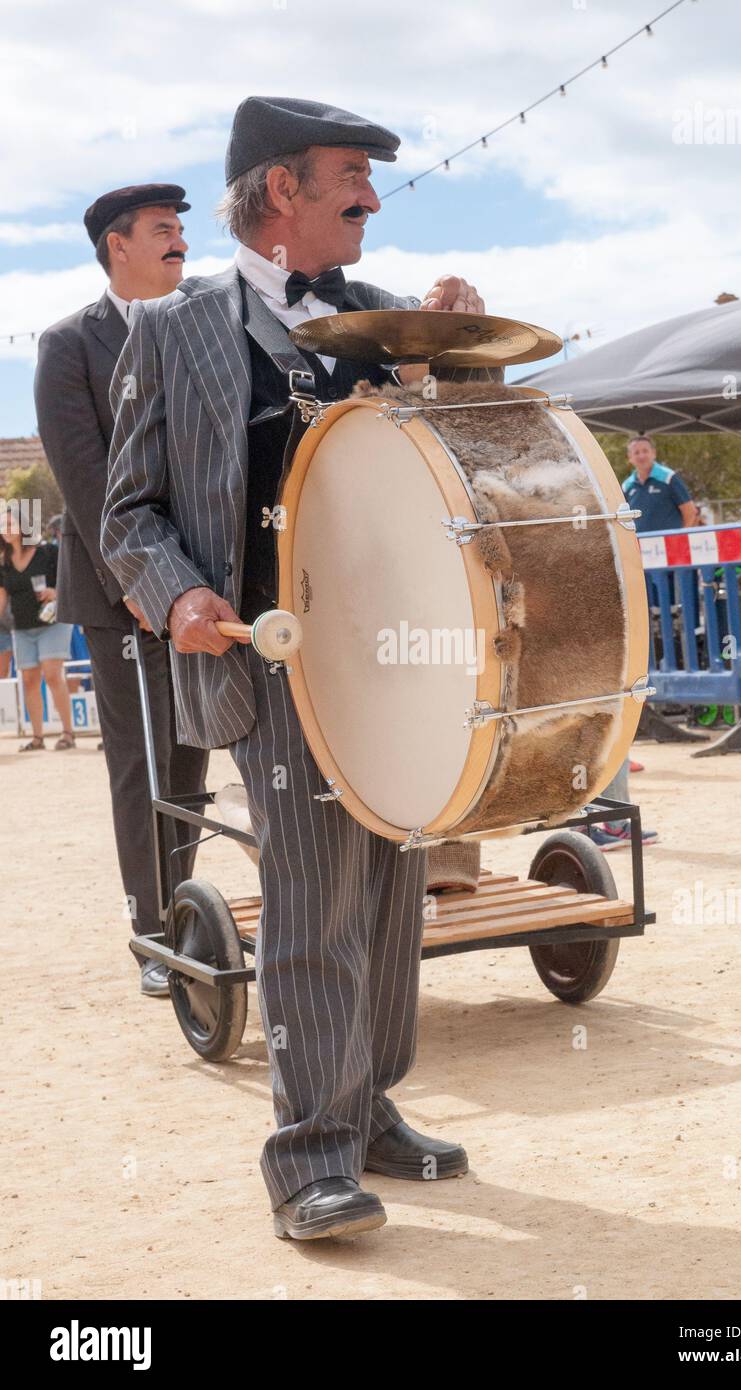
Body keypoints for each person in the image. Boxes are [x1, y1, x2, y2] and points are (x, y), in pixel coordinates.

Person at [102, 95, 497, 1242]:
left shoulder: (380, 314)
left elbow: (463, 458)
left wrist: (457, 354)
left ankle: (369, 1106)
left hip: (398, 656)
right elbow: (126, 511)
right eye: (349, 180)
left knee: (386, 891)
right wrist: (175, 590)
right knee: (314, 902)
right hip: (276, 656)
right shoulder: (173, 332)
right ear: (281, 191)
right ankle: (309, 1157)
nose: (372, 199)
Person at [34, 183, 209, 998]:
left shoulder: (204, 322)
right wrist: (142, 581)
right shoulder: (69, 343)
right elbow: (82, 473)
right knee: (143, 765)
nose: (180, 242)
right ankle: (153, 933)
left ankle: (191, 914)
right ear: (118, 246)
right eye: (163, 230)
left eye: (181, 230)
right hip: (122, 597)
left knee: (194, 757)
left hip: (207, 593)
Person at [0, 508, 76, 750]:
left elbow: (69, 580)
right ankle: (37, 737)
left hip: (53, 623)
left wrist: (55, 592)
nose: (6, 528)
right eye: (3, 524)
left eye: (10, 523)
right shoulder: (3, 561)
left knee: (53, 674)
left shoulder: (48, 552)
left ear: (23, 525)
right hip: (22, 628)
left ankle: (67, 733)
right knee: (29, 680)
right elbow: (1, 599)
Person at [622, 436, 698, 532]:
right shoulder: (626, 486)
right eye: (636, 452)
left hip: (669, 544)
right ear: (630, 457)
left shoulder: (669, 478)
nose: (641, 456)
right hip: (639, 545)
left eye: (645, 451)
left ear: (654, 453)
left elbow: (690, 512)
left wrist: (680, 538)